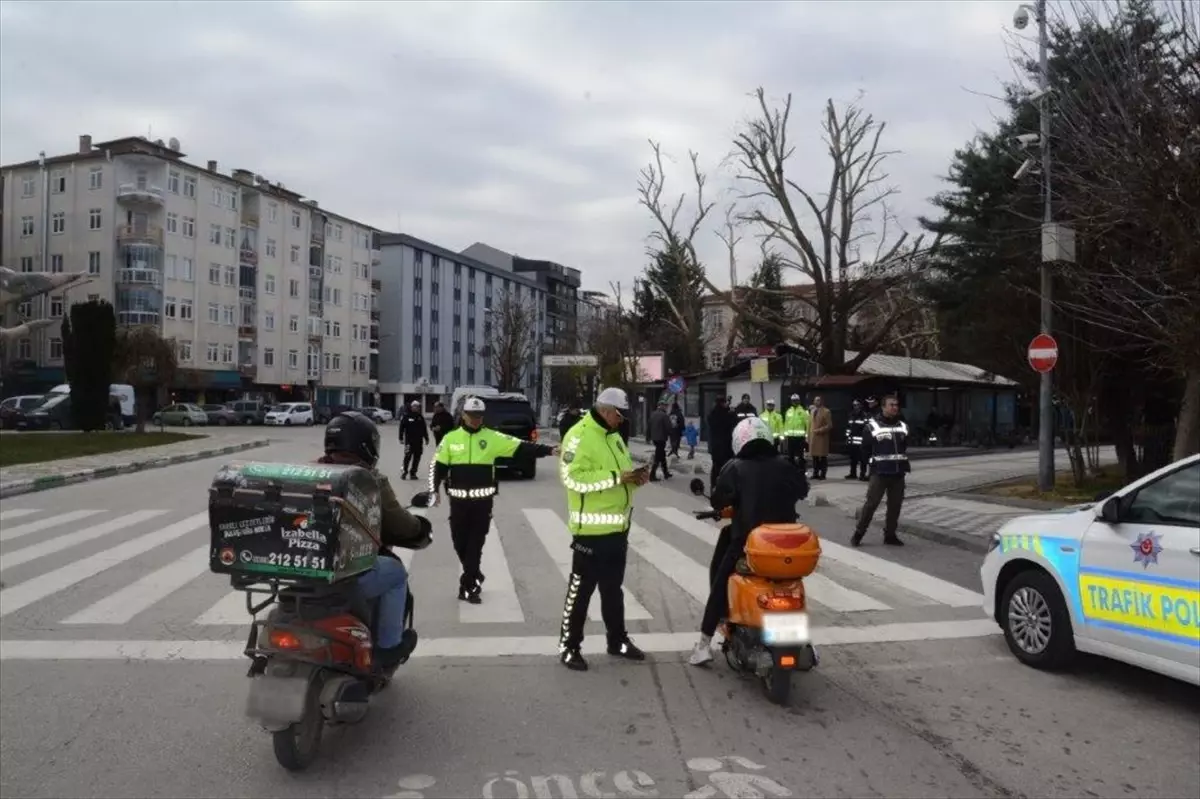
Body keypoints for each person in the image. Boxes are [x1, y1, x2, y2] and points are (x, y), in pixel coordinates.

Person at [688, 417, 808, 666]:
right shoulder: (785, 464)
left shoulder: (735, 467)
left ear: (739, 441)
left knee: (721, 581)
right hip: (786, 543)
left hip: (749, 542)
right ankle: (802, 642)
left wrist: (726, 505)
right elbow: (802, 490)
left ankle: (703, 644)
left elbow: (718, 500)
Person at [318, 411, 431, 670]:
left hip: (302, 571)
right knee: (395, 573)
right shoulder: (367, 480)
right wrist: (418, 526)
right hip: (344, 575)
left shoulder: (309, 471)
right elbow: (399, 523)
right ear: (366, 445)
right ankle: (388, 648)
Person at [430, 396, 557, 603]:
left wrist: (549, 450)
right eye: (472, 416)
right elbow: (439, 466)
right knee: (459, 543)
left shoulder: (492, 438)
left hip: (482, 502)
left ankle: (471, 586)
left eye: (479, 416)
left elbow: (522, 447)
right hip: (459, 503)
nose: (476, 420)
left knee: (475, 545)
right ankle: (474, 574)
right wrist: (433, 489)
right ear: (463, 415)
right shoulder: (451, 439)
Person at [557, 387, 648, 671]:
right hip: (589, 533)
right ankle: (570, 647)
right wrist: (616, 478)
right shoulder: (578, 436)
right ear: (606, 410)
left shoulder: (614, 437)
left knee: (613, 590)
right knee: (580, 592)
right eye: (619, 415)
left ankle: (617, 640)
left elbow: (620, 475)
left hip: (617, 530)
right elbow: (572, 479)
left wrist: (634, 479)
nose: (621, 421)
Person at [851, 394, 909, 547]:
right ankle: (859, 533)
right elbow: (865, 451)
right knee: (871, 504)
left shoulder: (903, 426)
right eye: (891, 405)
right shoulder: (872, 426)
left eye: (896, 405)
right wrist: (873, 465)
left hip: (898, 473)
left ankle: (890, 535)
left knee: (895, 506)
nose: (895, 407)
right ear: (883, 407)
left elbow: (904, 447)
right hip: (880, 473)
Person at [707, 396, 737, 491]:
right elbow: (731, 422)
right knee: (725, 468)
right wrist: (731, 412)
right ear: (722, 403)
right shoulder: (724, 415)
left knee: (716, 468)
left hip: (715, 446)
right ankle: (723, 487)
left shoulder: (712, 413)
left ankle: (714, 487)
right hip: (725, 446)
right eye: (725, 403)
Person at [399, 400, 429, 480]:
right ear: (411, 407)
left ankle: (413, 473)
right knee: (407, 457)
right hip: (408, 442)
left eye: (417, 407)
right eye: (414, 406)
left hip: (418, 442)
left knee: (417, 458)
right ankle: (404, 472)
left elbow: (424, 429)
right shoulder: (406, 416)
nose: (416, 408)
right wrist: (401, 438)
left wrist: (426, 438)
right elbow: (401, 428)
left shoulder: (420, 417)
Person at [782, 394, 810, 470]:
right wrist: (784, 436)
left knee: (801, 455)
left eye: (796, 400)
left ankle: (802, 470)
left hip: (800, 438)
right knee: (790, 455)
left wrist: (807, 436)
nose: (794, 402)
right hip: (791, 437)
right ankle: (792, 470)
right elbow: (786, 424)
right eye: (793, 400)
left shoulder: (803, 412)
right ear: (791, 401)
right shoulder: (788, 411)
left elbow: (807, 425)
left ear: (799, 401)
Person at [808, 395, 832, 479]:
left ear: (822, 401)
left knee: (822, 457)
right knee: (814, 457)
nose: (816, 402)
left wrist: (819, 430)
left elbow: (829, 425)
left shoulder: (826, 411)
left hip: (821, 438)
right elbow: (809, 424)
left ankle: (823, 473)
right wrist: (808, 437)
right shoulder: (812, 411)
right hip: (813, 438)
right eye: (815, 400)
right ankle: (815, 473)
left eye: (818, 400)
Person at [845, 399, 869, 480]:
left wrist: (865, 440)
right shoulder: (851, 415)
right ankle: (853, 473)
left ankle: (862, 474)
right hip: (852, 441)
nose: (856, 407)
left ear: (860, 405)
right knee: (853, 459)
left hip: (861, 441)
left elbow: (866, 428)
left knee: (863, 459)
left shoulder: (864, 415)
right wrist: (848, 437)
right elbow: (848, 427)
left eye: (857, 405)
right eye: (854, 405)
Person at [648, 400, 672, 480]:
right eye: (665, 406)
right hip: (661, 438)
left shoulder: (653, 414)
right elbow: (668, 427)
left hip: (655, 438)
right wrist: (671, 436)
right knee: (658, 456)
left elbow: (649, 426)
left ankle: (666, 473)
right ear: (662, 406)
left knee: (662, 455)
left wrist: (648, 437)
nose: (666, 407)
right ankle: (652, 475)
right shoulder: (664, 415)